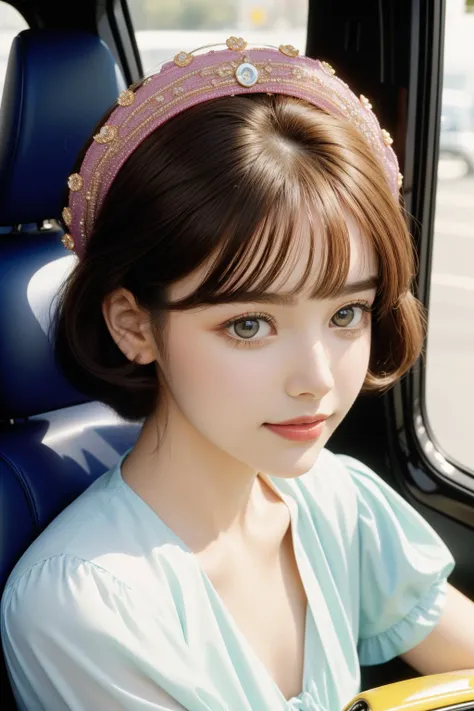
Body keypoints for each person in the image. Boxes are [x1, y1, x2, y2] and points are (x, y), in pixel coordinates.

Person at [1, 37, 473, 711]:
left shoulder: (339, 501)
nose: (315, 380)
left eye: (346, 313)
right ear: (134, 325)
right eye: (249, 324)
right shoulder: (86, 602)